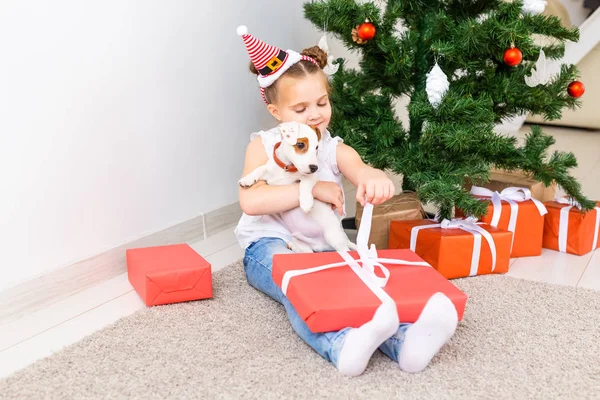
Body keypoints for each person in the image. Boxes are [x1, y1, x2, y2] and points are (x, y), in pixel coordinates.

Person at [234, 25, 458, 377]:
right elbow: (252, 202)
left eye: (322, 103)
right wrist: (311, 190)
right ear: (276, 112)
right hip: (270, 244)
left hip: (323, 244)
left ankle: (406, 342)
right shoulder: (262, 146)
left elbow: (361, 168)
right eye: (300, 108)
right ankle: (340, 345)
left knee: (360, 281)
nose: (315, 114)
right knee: (302, 288)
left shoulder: (332, 147)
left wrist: (374, 178)